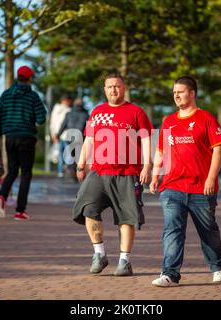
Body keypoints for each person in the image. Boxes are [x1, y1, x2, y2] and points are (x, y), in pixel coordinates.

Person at [73, 73, 153, 276]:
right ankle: (99, 253)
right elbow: (89, 140)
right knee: (87, 208)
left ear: (124, 88)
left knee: (126, 217)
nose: (113, 90)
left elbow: (145, 141)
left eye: (117, 86)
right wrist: (81, 164)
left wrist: (147, 165)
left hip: (127, 173)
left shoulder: (136, 112)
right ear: (104, 89)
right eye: (109, 87)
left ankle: (124, 261)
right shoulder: (97, 111)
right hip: (99, 172)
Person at [150, 76, 221, 287]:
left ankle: (217, 267)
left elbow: (218, 149)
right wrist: (156, 175)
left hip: (202, 188)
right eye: (174, 92)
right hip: (172, 186)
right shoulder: (169, 121)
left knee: (207, 230)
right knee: (172, 230)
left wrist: (211, 178)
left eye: (181, 91)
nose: (176, 95)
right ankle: (169, 273)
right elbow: (160, 151)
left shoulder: (207, 118)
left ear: (192, 93)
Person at [0, 66, 47, 221]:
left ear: (18, 77)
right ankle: (20, 210)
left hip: (9, 137)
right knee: (26, 173)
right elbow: (41, 118)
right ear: (29, 79)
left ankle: (2, 195)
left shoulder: (6, 95)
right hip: (26, 138)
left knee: (12, 170)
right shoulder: (33, 96)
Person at [56, 97, 89, 181]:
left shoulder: (69, 113)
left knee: (72, 156)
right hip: (80, 137)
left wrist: (58, 134)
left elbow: (63, 125)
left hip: (70, 138)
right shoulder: (86, 114)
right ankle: (78, 173)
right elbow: (89, 127)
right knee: (79, 157)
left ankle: (73, 173)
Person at [50, 95, 72, 177]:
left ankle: (60, 171)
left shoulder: (56, 109)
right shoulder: (68, 110)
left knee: (61, 154)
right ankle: (66, 169)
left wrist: (53, 133)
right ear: (66, 101)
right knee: (67, 153)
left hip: (58, 134)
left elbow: (52, 123)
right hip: (65, 135)